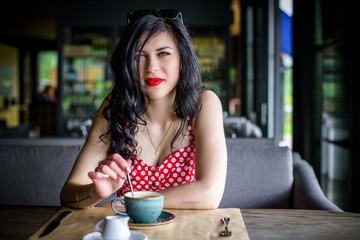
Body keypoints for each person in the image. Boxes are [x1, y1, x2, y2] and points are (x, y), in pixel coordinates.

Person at [60, 9, 227, 210]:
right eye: (139, 56)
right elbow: (69, 194)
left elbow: (209, 194)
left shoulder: (204, 104)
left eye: (163, 53)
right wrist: (96, 192)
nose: (151, 67)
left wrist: (126, 203)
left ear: (182, 59)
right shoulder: (115, 106)